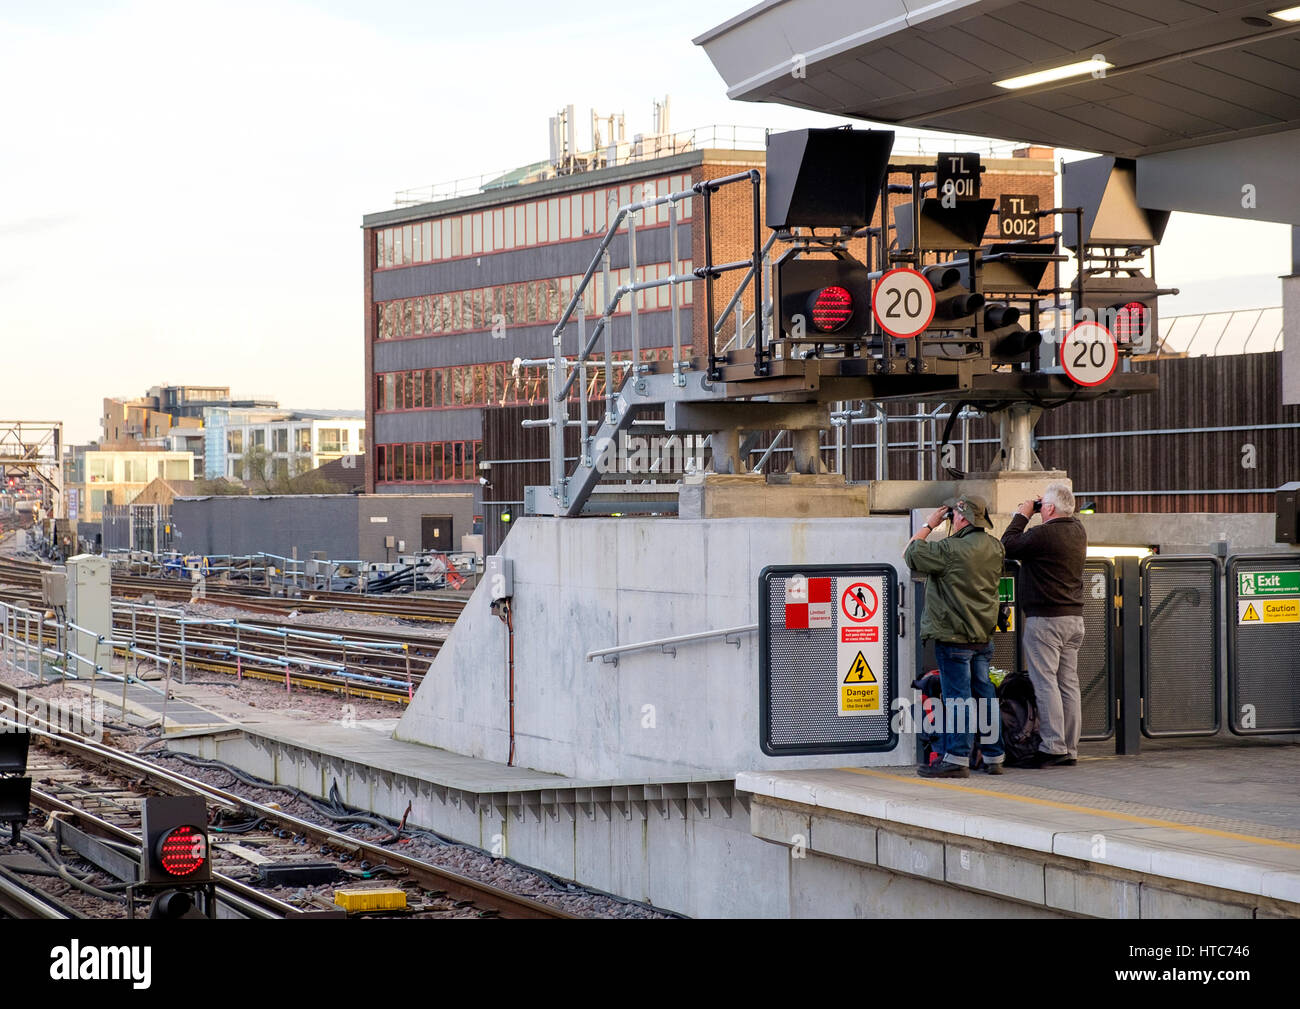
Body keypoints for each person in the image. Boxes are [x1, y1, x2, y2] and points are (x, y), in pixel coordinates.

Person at [904, 495, 1005, 778]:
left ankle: (956, 758)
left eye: (953, 517)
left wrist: (930, 524)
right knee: (985, 695)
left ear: (961, 518)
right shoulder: (995, 547)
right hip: (983, 637)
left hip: (955, 639)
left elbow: (911, 554)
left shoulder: (949, 549)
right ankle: (994, 756)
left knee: (958, 698)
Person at [1001, 481, 1087, 768]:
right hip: (1074, 619)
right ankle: (1070, 748)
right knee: (1068, 684)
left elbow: (1008, 544)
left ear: (1048, 508)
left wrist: (1023, 514)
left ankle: (1052, 745)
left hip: (1046, 621)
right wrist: (1043, 507)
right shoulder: (1077, 530)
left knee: (1045, 682)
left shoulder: (1043, 535)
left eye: (1043, 507)